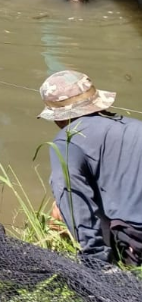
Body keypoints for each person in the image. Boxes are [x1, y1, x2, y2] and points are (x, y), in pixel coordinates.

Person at [38, 69, 142, 265]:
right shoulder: (136, 126)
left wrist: (96, 261)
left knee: (59, 206)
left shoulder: (67, 141)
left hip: (136, 241)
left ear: (58, 117)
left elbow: (74, 198)